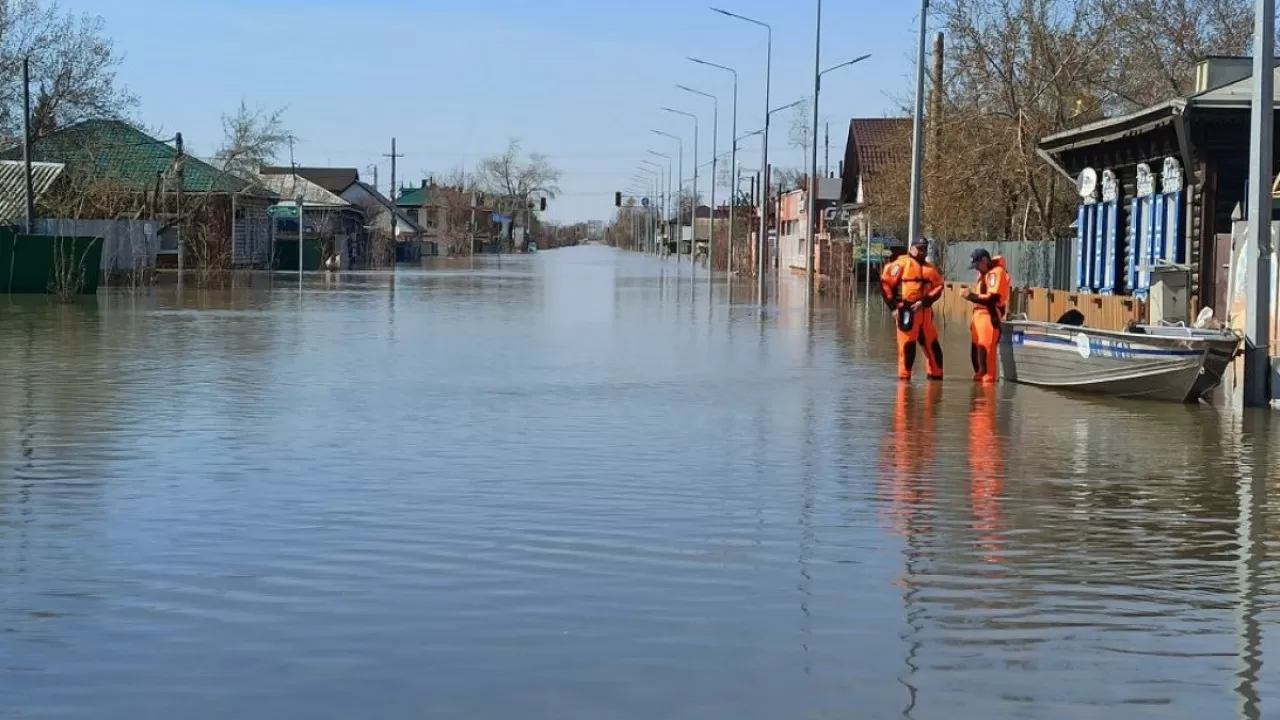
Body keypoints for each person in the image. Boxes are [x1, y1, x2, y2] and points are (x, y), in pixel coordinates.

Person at [880, 238, 944, 381]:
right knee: (907, 349)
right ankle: (904, 385)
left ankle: (936, 380)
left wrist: (924, 301)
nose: (922, 251)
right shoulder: (901, 264)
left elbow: (939, 287)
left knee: (934, 349)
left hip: (925, 313)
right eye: (919, 248)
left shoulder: (931, 269)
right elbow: (885, 284)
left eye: (924, 249)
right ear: (912, 248)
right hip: (907, 312)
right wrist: (893, 308)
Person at [964, 248, 1012, 383]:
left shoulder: (996, 274)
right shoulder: (983, 274)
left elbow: (993, 299)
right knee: (976, 356)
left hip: (989, 316)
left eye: (977, 265)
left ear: (985, 260)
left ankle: (987, 397)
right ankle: (978, 396)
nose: (976, 269)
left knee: (986, 356)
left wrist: (971, 296)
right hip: (978, 316)